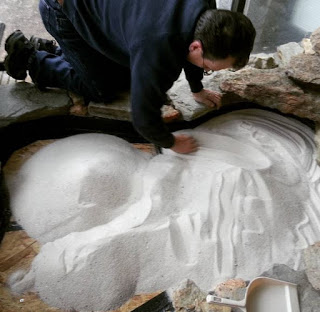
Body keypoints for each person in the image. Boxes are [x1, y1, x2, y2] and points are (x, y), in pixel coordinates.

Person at [4, 0, 256, 154]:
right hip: (61, 9)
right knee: (101, 88)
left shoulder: (207, 11)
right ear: (196, 47)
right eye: (210, 67)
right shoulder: (158, 45)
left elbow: (196, 48)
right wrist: (170, 142)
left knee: (123, 70)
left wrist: (196, 88)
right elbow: (143, 118)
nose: (208, 69)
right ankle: (30, 59)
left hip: (109, 12)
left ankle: (53, 51)